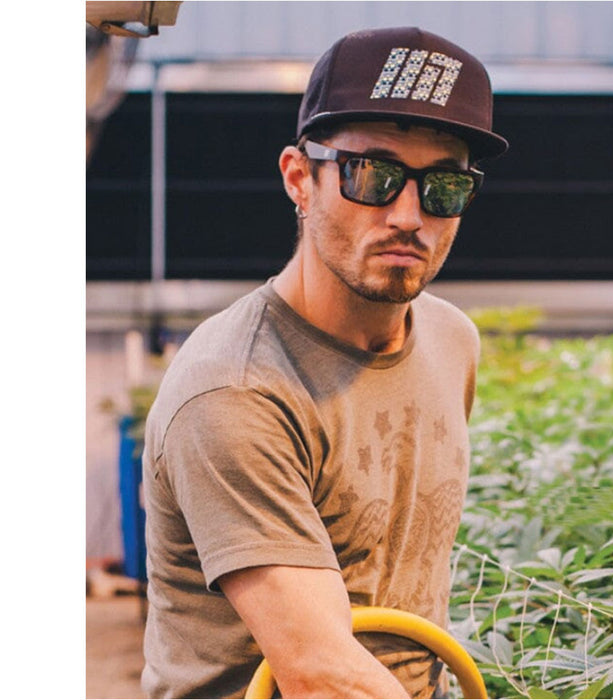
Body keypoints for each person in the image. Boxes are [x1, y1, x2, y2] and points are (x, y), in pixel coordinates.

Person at [141, 26, 509, 699]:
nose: (408, 215)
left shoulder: (452, 341)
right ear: (298, 179)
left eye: (445, 186)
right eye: (373, 174)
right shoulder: (236, 390)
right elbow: (318, 673)